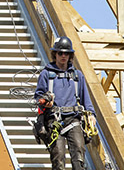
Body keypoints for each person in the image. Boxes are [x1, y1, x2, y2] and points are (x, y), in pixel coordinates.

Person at [34, 36, 96, 170]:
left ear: (70, 55)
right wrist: (45, 103)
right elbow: (38, 97)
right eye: (60, 53)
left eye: (66, 53)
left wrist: (91, 114)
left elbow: (86, 98)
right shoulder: (46, 75)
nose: (63, 56)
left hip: (74, 119)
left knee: (79, 155)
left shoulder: (77, 76)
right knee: (58, 158)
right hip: (54, 121)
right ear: (55, 54)